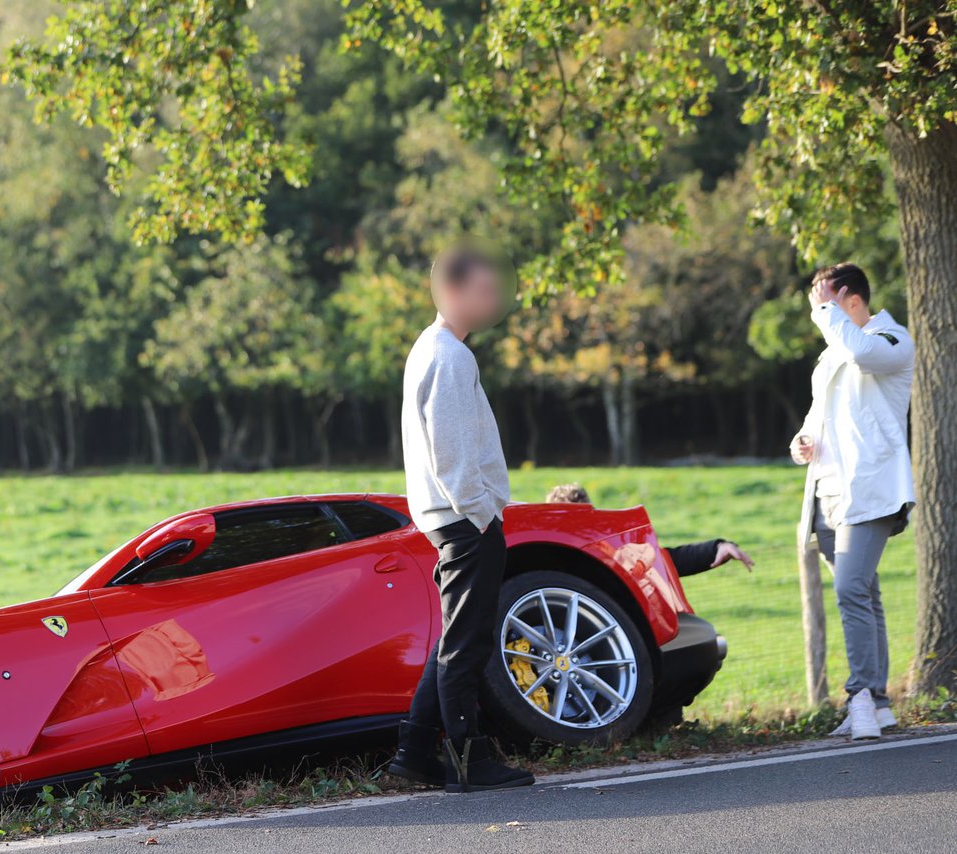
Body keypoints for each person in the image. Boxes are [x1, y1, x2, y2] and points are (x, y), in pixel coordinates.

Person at [387, 247, 533, 793]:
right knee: (465, 645)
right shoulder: (449, 355)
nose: (491, 299)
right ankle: (470, 761)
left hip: (451, 519)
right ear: (450, 291)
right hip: (463, 520)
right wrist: (479, 512)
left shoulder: (434, 349)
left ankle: (414, 753)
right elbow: (449, 450)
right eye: (482, 289)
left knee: (455, 637)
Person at [789, 262, 914, 741]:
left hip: (872, 488)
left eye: (826, 303)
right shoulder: (831, 355)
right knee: (865, 592)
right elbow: (818, 415)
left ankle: (860, 696)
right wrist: (801, 441)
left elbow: (862, 355)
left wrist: (825, 311)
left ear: (849, 299)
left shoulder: (890, 340)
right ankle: (880, 704)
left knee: (849, 589)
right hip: (828, 490)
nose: (819, 316)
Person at [542, 483, 755, 577]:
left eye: (584, 521)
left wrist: (717, 547)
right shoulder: (544, 561)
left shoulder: (612, 553)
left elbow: (666, 561)